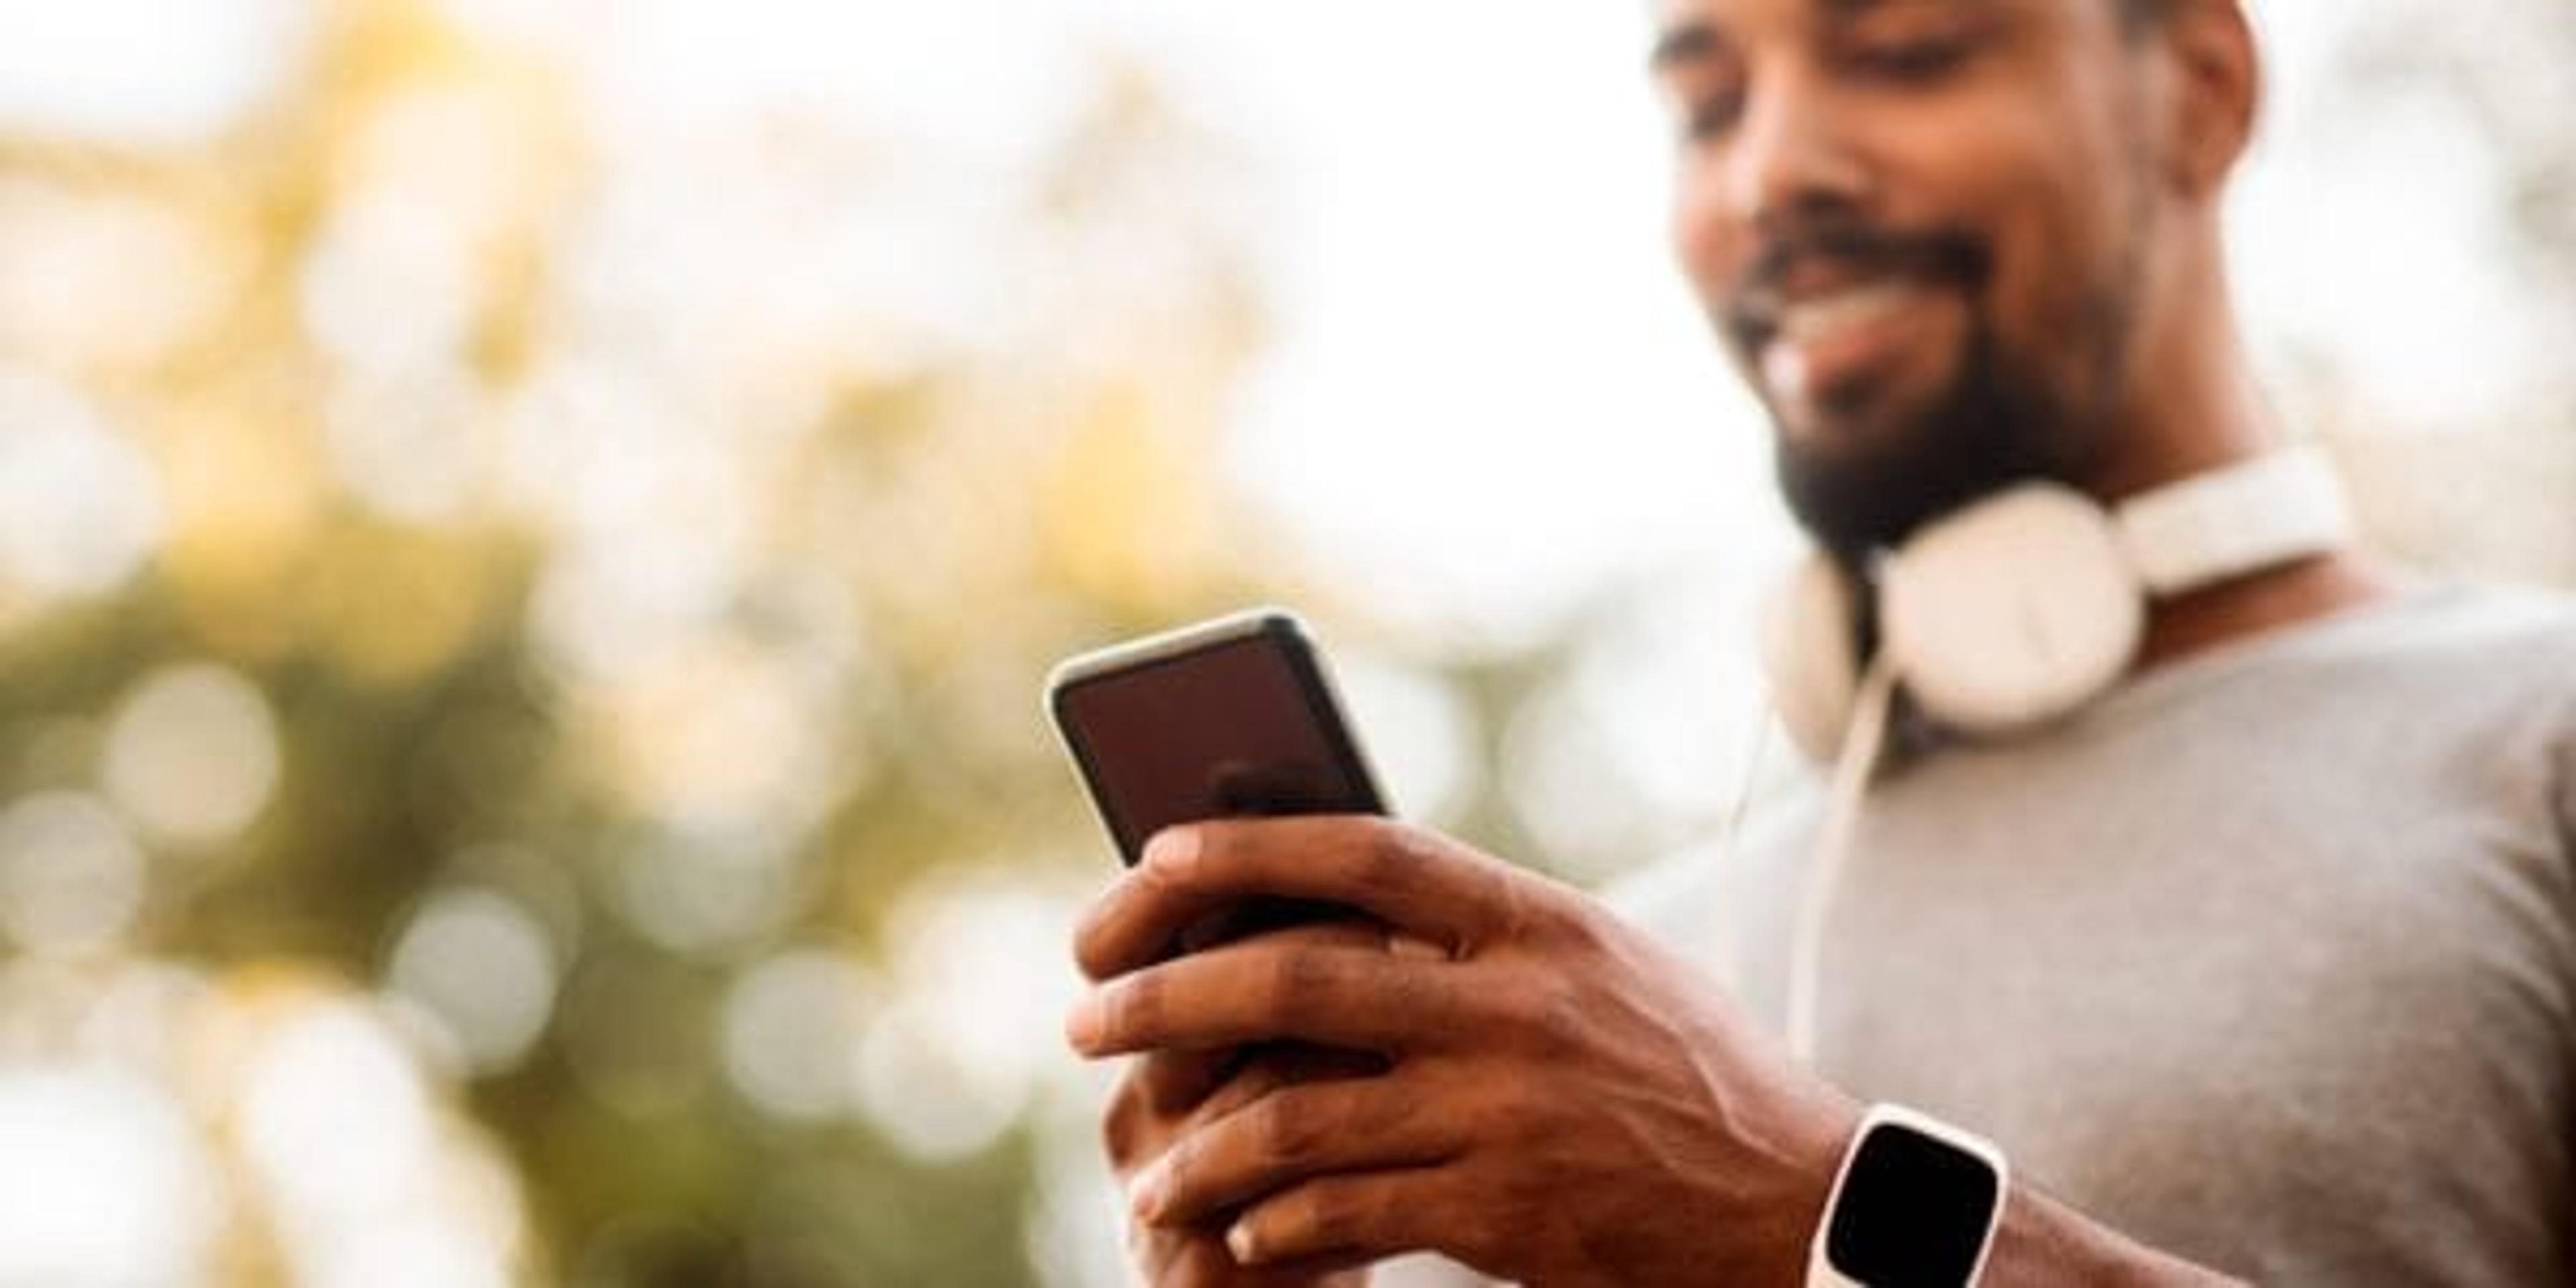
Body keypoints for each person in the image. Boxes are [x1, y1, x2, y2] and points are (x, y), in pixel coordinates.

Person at [1063, 0, 2576, 1281]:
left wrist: (1813, 1214)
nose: (1772, 172)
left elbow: (1775, 1200)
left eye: (1904, 52)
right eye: (1709, 107)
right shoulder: (1606, 993)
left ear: (2197, 85)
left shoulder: (2536, 736)